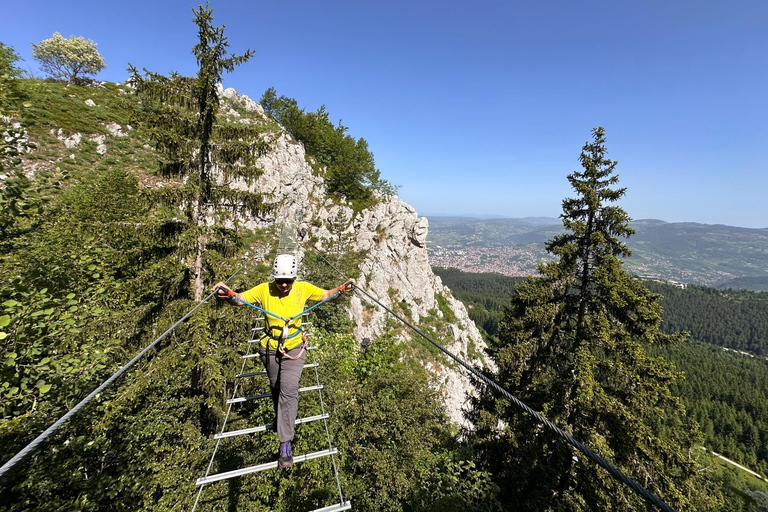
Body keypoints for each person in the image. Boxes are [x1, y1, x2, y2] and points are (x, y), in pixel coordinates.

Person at [213, 254, 353, 468]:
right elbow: (239, 300)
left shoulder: (303, 288)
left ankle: (285, 443)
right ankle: (282, 420)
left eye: (288, 281)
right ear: (274, 279)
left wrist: (341, 289)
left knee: (288, 389)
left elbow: (325, 294)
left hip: (294, 347)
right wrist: (227, 293)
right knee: (276, 389)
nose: (284, 285)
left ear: (295, 278)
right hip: (269, 348)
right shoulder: (264, 289)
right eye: (280, 281)